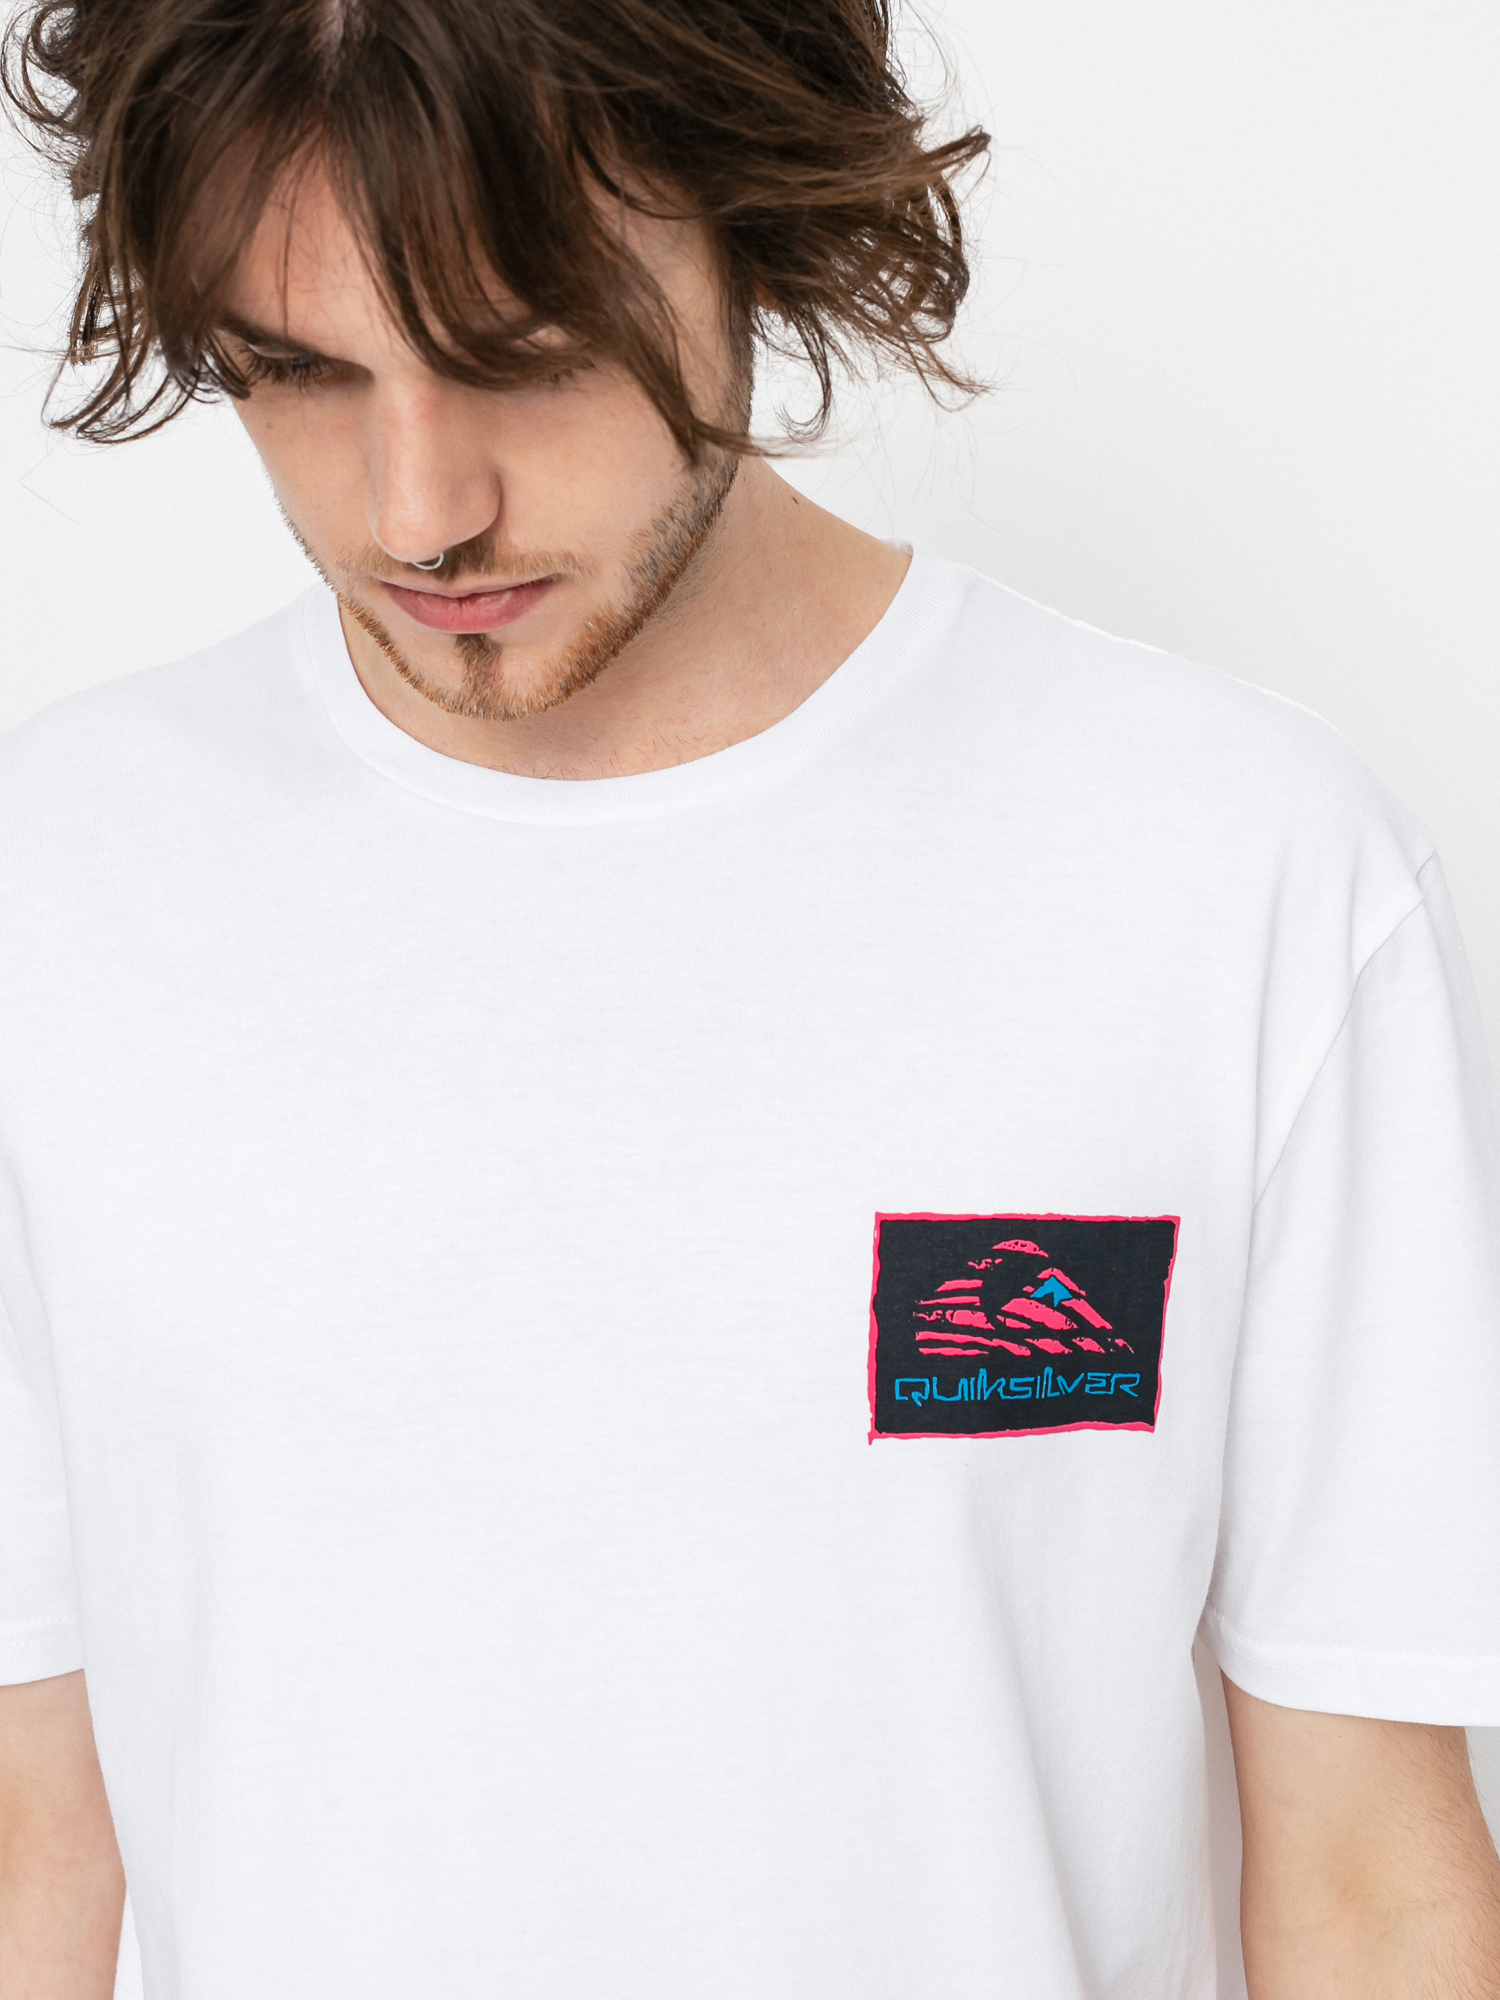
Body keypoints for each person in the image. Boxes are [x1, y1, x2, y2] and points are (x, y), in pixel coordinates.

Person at [1, 1, 1497, 1994]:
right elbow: (38, 1849)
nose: (417, 508)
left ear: (758, 223)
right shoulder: (58, 887)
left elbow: (1372, 1888)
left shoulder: (1240, 873)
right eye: (296, 370)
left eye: (525, 352)